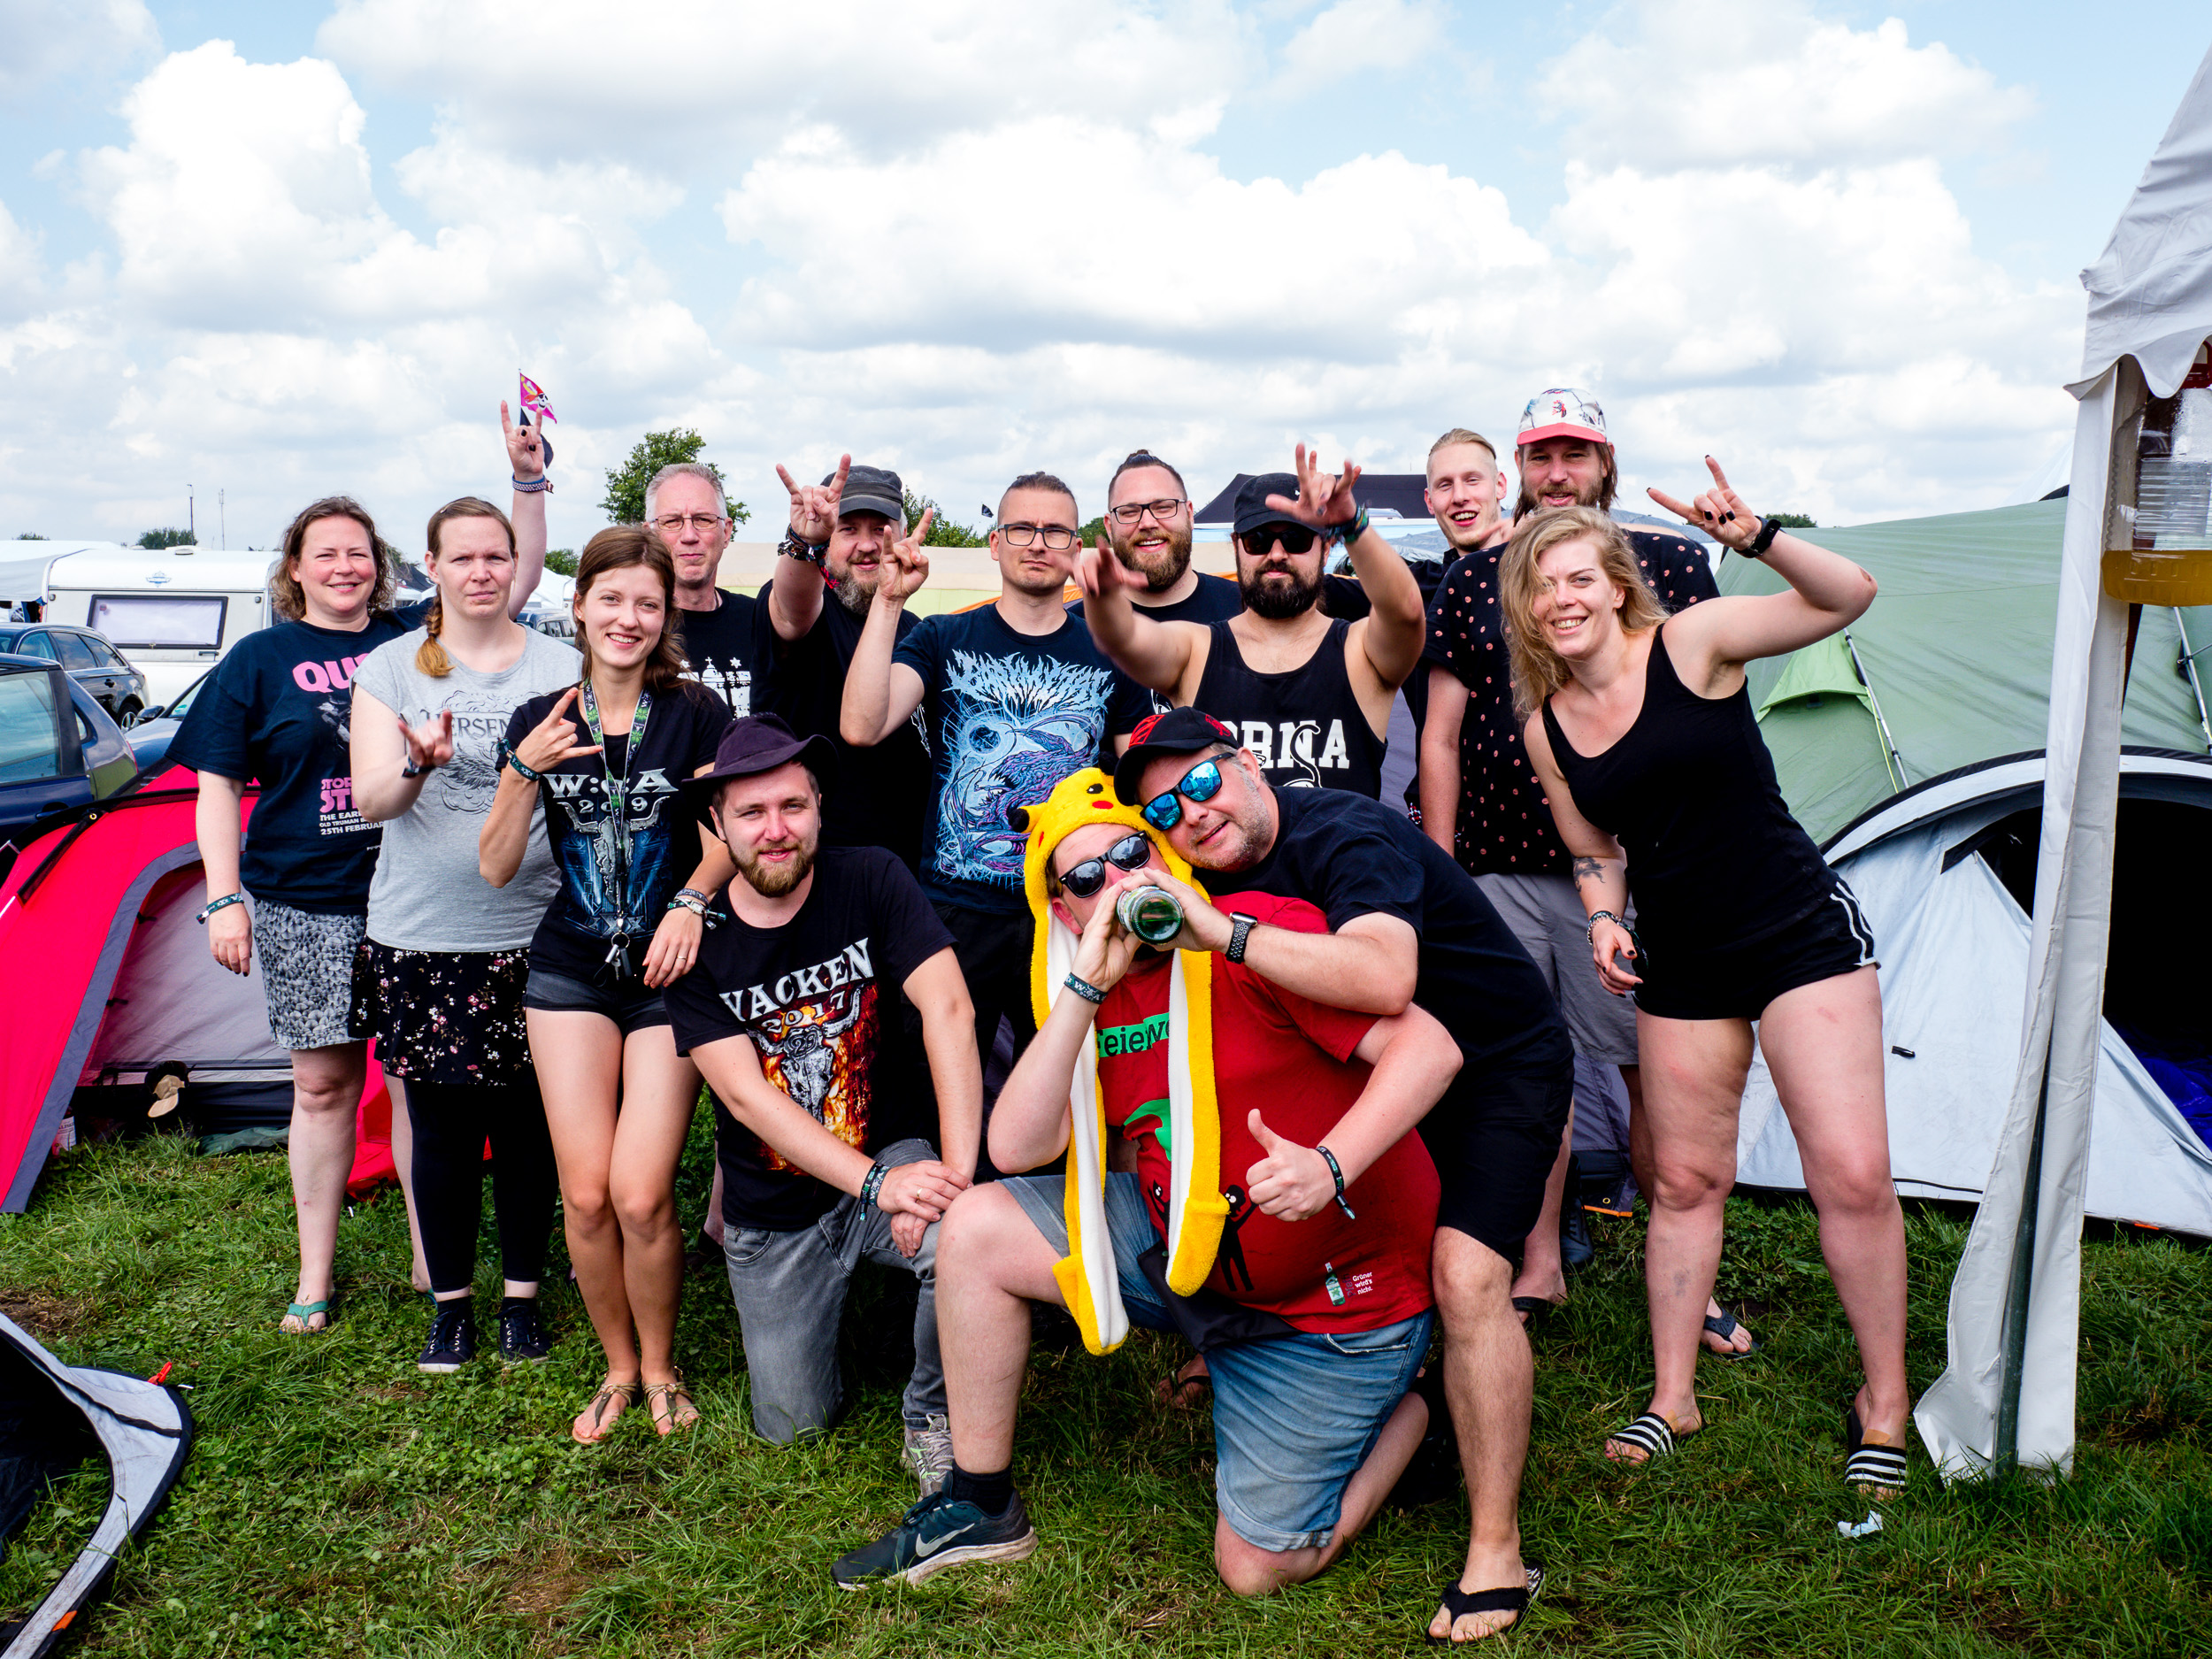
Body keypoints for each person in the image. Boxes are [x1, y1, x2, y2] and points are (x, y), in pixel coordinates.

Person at [831, 769, 1463, 1598]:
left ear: (1164, 856)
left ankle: (1415, 1412)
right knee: (977, 1227)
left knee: (1257, 1568)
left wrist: (1330, 1162)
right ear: (1065, 912)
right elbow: (1014, 1145)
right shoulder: (1093, 990)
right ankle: (981, 1503)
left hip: (1331, 1309)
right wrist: (1084, 989)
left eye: (1132, 853)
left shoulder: (1252, 934)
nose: (1120, 881)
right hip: (1190, 1257)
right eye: (1087, 877)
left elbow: (1431, 1049)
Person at [1107, 707, 1572, 1642]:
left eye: (1201, 782)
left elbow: (1384, 978)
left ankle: (1496, 1547)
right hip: (1374, 1067)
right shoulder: (1203, 874)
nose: (1191, 814)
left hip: (1493, 1067)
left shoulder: (1346, 833)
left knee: (1467, 1277)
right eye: (1163, 811)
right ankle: (1333, 1376)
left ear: (1247, 763)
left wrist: (1223, 934)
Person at [1508, 481, 1908, 1495]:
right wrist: (1604, 919)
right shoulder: (1547, 729)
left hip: (1794, 934)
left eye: (1576, 578)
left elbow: (1848, 595)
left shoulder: (1693, 642)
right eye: (1540, 586)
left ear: (1614, 586)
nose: (1560, 599)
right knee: (1683, 1184)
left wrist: (1760, 539)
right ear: (1526, 609)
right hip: (1682, 959)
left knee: (1851, 1174)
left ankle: (1885, 1402)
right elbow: (1595, 848)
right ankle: (1672, 1395)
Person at [1419, 405, 1752, 1354]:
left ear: (1605, 463)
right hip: (1498, 867)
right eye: (1542, 456)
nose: (1558, 471)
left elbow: (1711, 704)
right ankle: (1539, 1261)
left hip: (1633, 872)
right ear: (1520, 469)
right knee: (1523, 1070)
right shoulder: (1476, 577)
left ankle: (1687, 1274)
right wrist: (1442, 873)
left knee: (1657, 1076)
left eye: (1576, 454)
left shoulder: (1671, 561)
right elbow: (1439, 735)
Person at [663, 716, 981, 1492]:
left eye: (793, 806)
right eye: (752, 812)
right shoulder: (694, 946)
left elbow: (949, 1009)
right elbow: (745, 1097)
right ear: (718, 824)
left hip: (885, 1146)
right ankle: (851, 1324)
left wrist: (954, 1181)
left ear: (818, 808)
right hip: (774, 1213)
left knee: (968, 1239)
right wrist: (880, 1188)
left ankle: (930, 1413)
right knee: (793, 1424)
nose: (776, 830)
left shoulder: (870, 877)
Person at [480, 526, 735, 1442]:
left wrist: (692, 902)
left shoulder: (696, 712)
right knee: (585, 1194)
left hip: (669, 973)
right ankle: (618, 1368)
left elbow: (726, 837)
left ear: (665, 617)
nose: (629, 618)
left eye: (647, 604)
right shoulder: (539, 717)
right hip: (570, 969)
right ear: (581, 604)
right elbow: (495, 866)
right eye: (613, 599)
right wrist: (524, 768)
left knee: (640, 1193)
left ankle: (662, 1368)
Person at [349, 495, 579, 1371]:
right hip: (424, 935)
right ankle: (450, 1307)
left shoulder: (562, 665)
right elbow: (372, 799)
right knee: (442, 1132)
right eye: (463, 558)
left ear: (514, 566)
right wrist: (418, 761)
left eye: (495, 557)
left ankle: (522, 1300)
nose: (481, 572)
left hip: (537, 929)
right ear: (434, 567)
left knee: (527, 1128)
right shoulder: (392, 667)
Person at [840, 472, 1152, 1092]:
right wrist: (888, 601)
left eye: (1055, 531)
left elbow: (1141, 777)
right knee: (932, 1092)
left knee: (1066, 1094)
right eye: (1021, 528)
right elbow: (861, 725)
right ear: (994, 542)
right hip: (955, 910)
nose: (1037, 542)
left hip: (1068, 907)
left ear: (1077, 546)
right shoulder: (943, 636)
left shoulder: (1112, 651)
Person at [1079, 448, 1425, 800]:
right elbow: (1124, 637)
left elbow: (1407, 612)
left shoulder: (1360, 651)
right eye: (1257, 541)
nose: (1277, 554)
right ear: (1237, 547)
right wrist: (1101, 597)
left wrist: (1353, 525)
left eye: (1296, 539)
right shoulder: (1196, 650)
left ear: (1325, 548)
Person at [762, 458, 933, 869]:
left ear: (903, 534)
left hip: (908, 872)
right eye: (848, 529)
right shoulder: (811, 611)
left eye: (881, 529)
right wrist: (805, 540)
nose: (868, 545)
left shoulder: (917, 630)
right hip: (821, 870)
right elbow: (792, 607)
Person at [1066, 449, 1242, 626]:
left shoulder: (1246, 609)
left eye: (1163, 507)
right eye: (1130, 512)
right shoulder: (1077, 628)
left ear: (1190, 515)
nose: (1147, 523)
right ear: (1109, 527)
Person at [650, 460, 760, 718]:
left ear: (726, 532)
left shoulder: (760, 621)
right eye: (672, 521)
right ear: (650, 534)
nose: (689, 535)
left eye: (703, 519)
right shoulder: (634, 629)